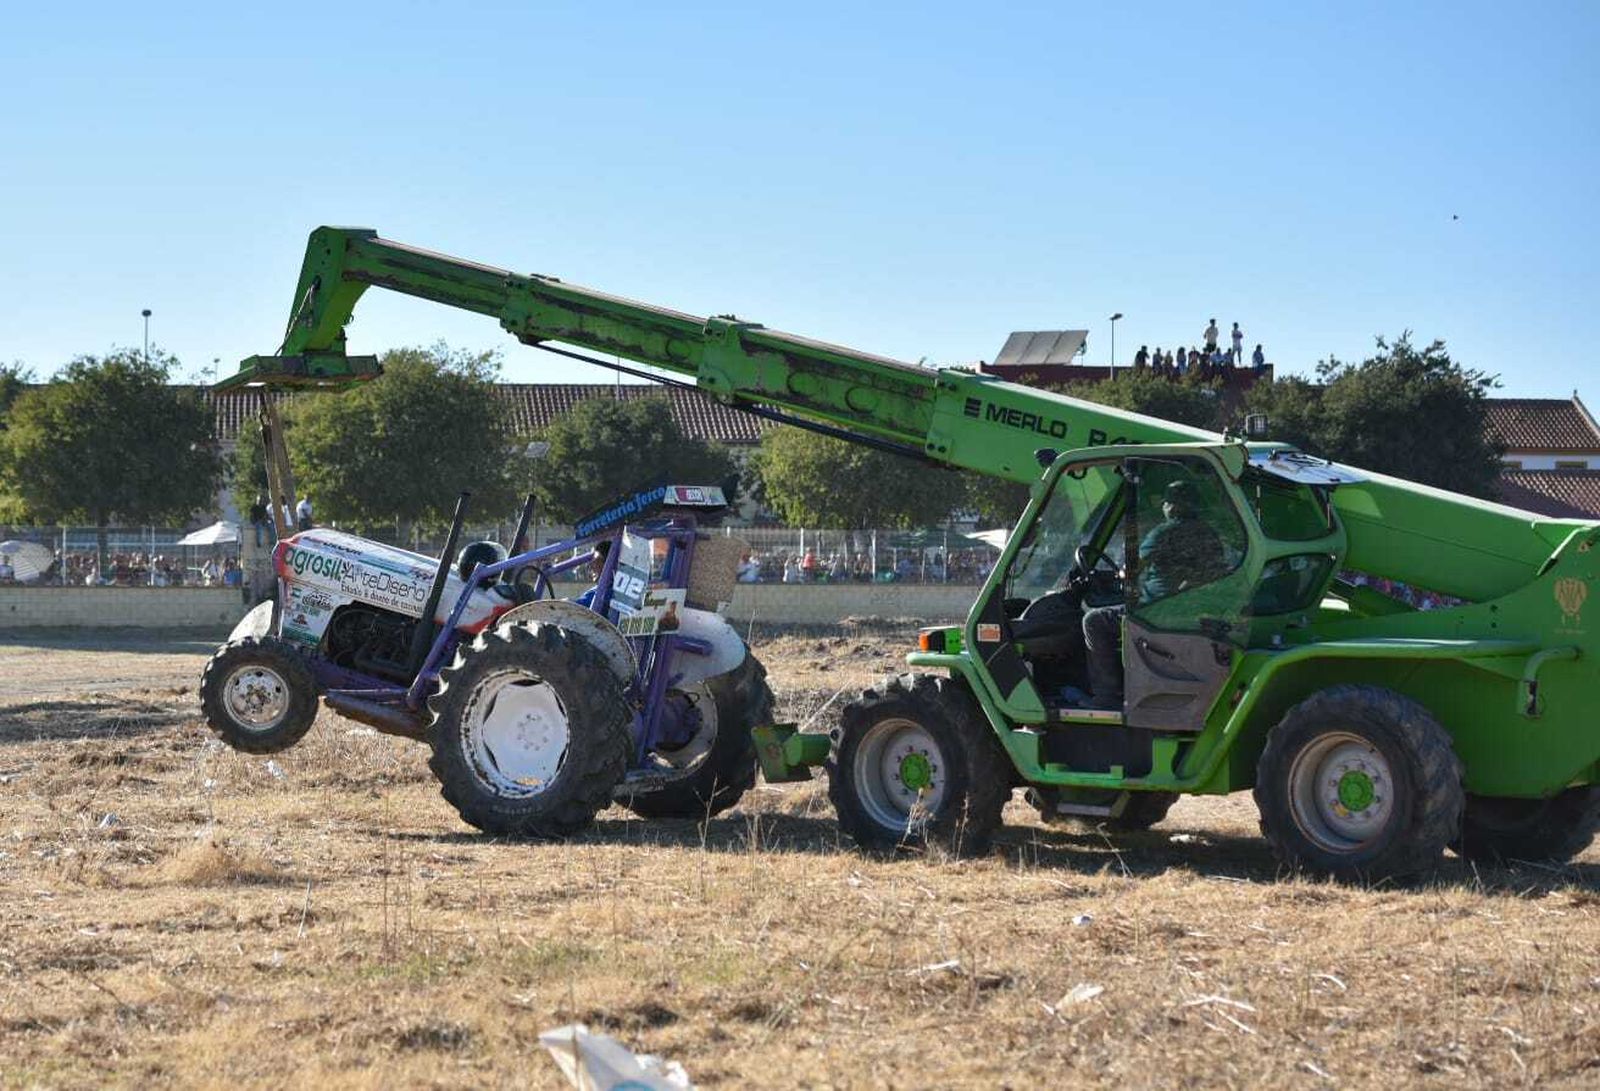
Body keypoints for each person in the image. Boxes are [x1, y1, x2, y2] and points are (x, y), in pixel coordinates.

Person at [1082, 480, 1227, 709]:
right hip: (1190, 609)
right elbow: (1217, 571)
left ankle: (1107, 696)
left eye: (1167, 502)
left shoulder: (1164, 532)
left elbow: (1132, 569)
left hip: (1157, 610)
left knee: (1094, 620)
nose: (1164, 506)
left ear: (1174, 505)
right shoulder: (1209, 534)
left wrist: (1119, 573)